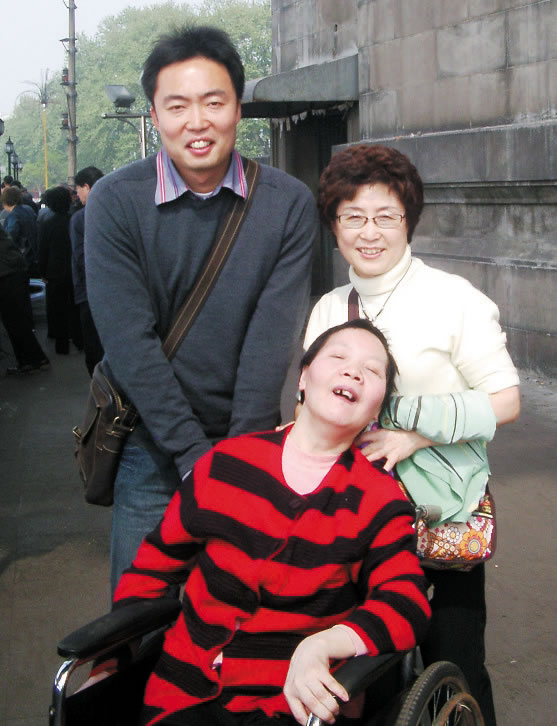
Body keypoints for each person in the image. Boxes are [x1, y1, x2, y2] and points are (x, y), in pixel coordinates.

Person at [102, 319, 430, 726]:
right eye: (338, 357)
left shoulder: (379, 499)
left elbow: (405, 603)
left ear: (376, 408)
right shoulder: (226, 463)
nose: (353, 371)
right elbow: (152, 568)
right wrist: (110, 662)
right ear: (304, 377)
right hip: (183, 693)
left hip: (293, 704)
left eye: (373, 370)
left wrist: (323, 644)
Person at [85, 25, 316, 595]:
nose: (197, 121)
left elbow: (271, 340)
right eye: (177, 105)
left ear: (238, 107)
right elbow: (128, 342)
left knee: (239, 617)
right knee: (135, 624)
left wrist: (235, 465)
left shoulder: (287, 203)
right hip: (153, 447)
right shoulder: (115, 202)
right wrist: (193, 458)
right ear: (156, 114)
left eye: (214, 102)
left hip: (249, 443)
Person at [304, 144, 521, 726]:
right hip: (353, 520)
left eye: (385, 217)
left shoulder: (453, 299)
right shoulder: (328, 308)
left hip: (439, 518)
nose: (368, 233)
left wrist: (414, 435)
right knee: (362, 667)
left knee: (455, 665)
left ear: (408, 221)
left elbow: (505, 400)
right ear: (335, 225)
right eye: (353, 217)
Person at [0, 224, 49, 374]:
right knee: (18, 321)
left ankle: (30, 360)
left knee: (14, 322)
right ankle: (33, 359)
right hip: (14, 271)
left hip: (6, 275)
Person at [38, 186, 82, 355]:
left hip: (55, 271)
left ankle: (61, 344)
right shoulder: (74, 220)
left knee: (58, 308)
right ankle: (79, 340)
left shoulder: (47, 224)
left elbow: (43, 250)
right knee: (75, 306)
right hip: (74, 269)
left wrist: (42, 271)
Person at [70, 166, 104, 376]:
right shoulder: (120, 208)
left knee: (93, 345)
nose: (77, 194)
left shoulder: (80, 218)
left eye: (79, 189)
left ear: (87, 187)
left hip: (90, 291)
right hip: (118, 290)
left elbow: (81, 257)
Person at [1, 186, 39, 276]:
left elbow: (10, 236)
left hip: (23, 256)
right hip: (34, 254)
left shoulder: (13, 215)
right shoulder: (28, 210)